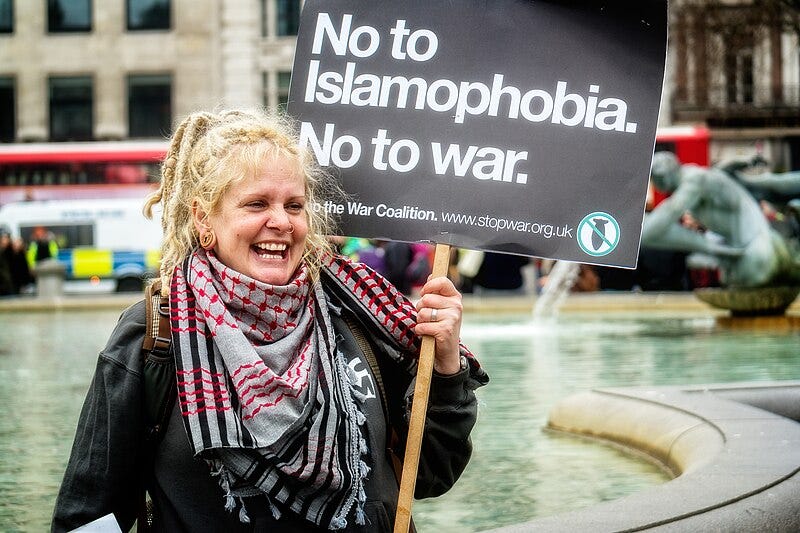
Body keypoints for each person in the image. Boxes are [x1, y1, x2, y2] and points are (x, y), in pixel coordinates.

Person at [52, 108, 488, 532]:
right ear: (205, 218)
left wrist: (446, 365)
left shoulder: (358, 312)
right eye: (256, 203)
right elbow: (88, 515)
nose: (280, 221)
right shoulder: (154, 334)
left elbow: (430, 472)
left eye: (294, 205)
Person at [641, 151, 800, 288]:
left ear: (663, 176)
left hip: (757, 250)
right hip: (744, 251)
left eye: (654, 179)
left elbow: (650, 231)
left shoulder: (694, 180)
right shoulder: (696, 178)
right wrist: (714, 248)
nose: (655, 184)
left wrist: (710, 248)